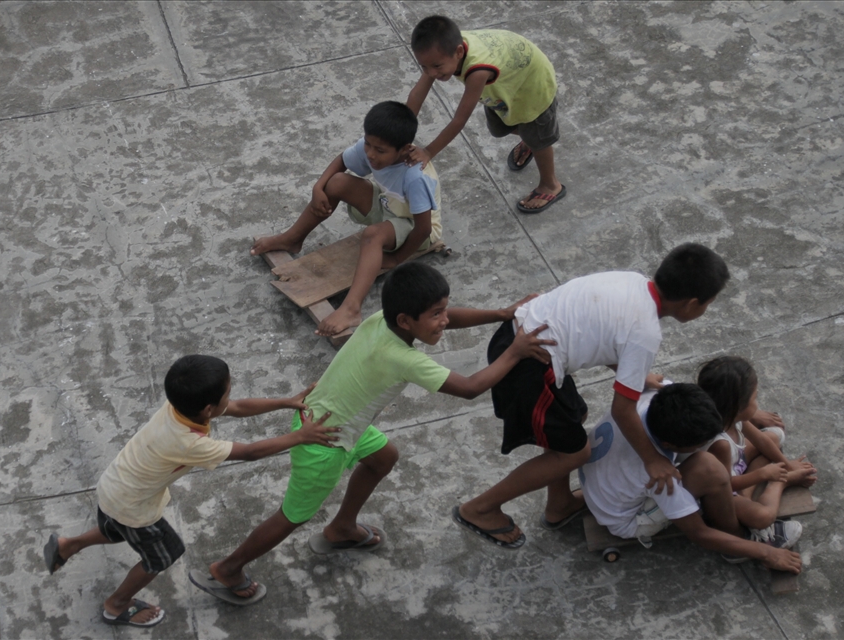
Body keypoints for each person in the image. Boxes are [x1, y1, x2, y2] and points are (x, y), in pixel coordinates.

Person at [191, 263, 555, 605]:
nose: (444, 320)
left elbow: (447, 317)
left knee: (384, 457)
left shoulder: (384, 319)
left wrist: (501, 314)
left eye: (444, 310)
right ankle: (228, 568)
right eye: (436, 314)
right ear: (406, 320)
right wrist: (514, 351)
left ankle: (342, 528)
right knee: (292, 516)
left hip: (334, 420)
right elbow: (472, 387)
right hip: (323, 441)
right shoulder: (403, 357)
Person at [454, 243, 730, 548]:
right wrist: (653, 460)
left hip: (523, 336)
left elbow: (607, 335)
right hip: (530, 364)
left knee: (575, 418)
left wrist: (637, 375)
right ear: (692, 304)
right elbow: (623, 410)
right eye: (709, 304)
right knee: (574, 453)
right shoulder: (646, 333)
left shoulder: (632, 282)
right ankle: (480, 508)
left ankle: (559, 505)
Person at [42, 355, 337, 626]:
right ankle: (116, 605)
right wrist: (300, 436)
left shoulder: (179, 407)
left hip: (114, 486)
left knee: (117, 528)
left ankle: (70, 544)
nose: (230, 399)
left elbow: (236, 408)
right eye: (227, 393)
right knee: (163, 554)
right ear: (208, 408)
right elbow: (250, 453)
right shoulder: (187, 441)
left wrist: (287, 402)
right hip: (133, 504)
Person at [250, 101, 442, 337]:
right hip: (388, 206)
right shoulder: (374, 146)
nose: (370, 154)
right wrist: (318, 187)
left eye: (379, 151)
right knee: (337, 182)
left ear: (404, 150)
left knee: (373, 236)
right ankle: (292, 238)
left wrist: (397, 259)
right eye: (369, 144)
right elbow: (342, 160)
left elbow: (423, 229)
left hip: (415, 227)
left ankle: (351, 308)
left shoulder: (415, 176)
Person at [579, 383, 804, 569]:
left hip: (603, 484)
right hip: (627, 519)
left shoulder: (658, 393)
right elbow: (699, 533)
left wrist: (747, 413)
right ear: (669, 445)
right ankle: (740, 536)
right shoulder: (660, 476)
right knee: (709, 468)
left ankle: (728, 493)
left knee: (715, 456)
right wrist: (765, 553)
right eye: (697, 443)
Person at [405, 15, 564, 214]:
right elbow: (417, 94)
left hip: (532, 86)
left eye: (437, 67)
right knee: (498, 129)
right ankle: (529, 139)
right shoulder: (442, 50)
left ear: (459, 52)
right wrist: (400, 137)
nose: (431, 73)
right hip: (507, 82)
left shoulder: (477, 71)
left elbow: (459, 120)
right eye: (424, 67)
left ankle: (550, 185)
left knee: (538, 138)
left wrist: (428, 152)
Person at [696, 356, 817, 529]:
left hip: (735, 466)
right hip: (721, 490)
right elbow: (726, 484)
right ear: (737, 407)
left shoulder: (731, 417)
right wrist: (766, 475)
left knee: (774, 437)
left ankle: (751, 492)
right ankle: (780, 483)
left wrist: (787, 465)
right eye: (755, 399)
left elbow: (761, 440)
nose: (757, 404)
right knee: (762, 517)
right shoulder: (718, 444)